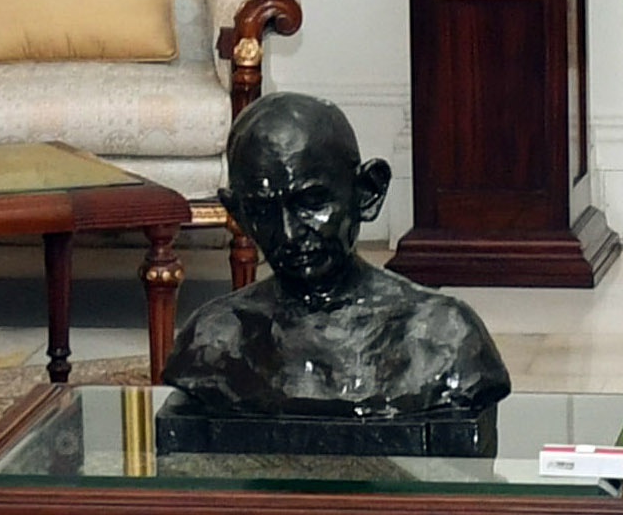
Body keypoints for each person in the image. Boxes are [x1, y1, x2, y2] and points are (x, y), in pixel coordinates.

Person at [163, 95, 508, 422]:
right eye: (262, 211)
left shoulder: (444, 336)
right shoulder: (213, 341)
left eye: (312, 202)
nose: (289, 233)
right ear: (237, 213)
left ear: (367, 193)